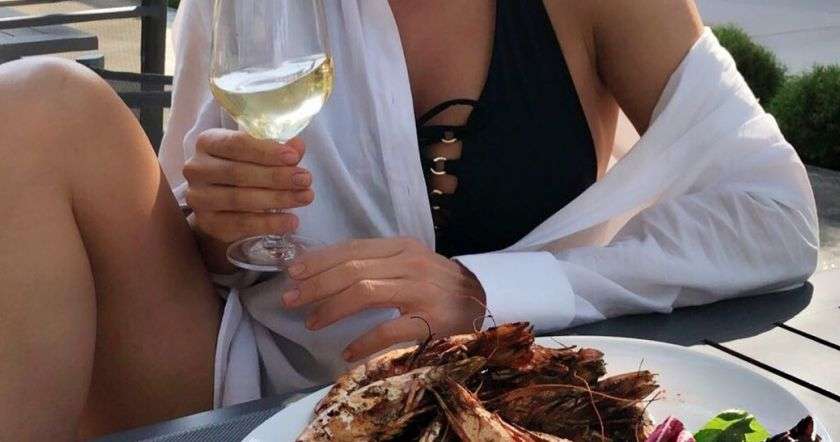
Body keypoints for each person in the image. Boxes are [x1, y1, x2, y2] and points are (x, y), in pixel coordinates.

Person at [0, 0, 818, 439]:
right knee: (36, 102)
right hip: (243, 388)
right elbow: (209, 249)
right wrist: (220, 223)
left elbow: (773, 215)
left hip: (496, 399)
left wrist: (485, 291)